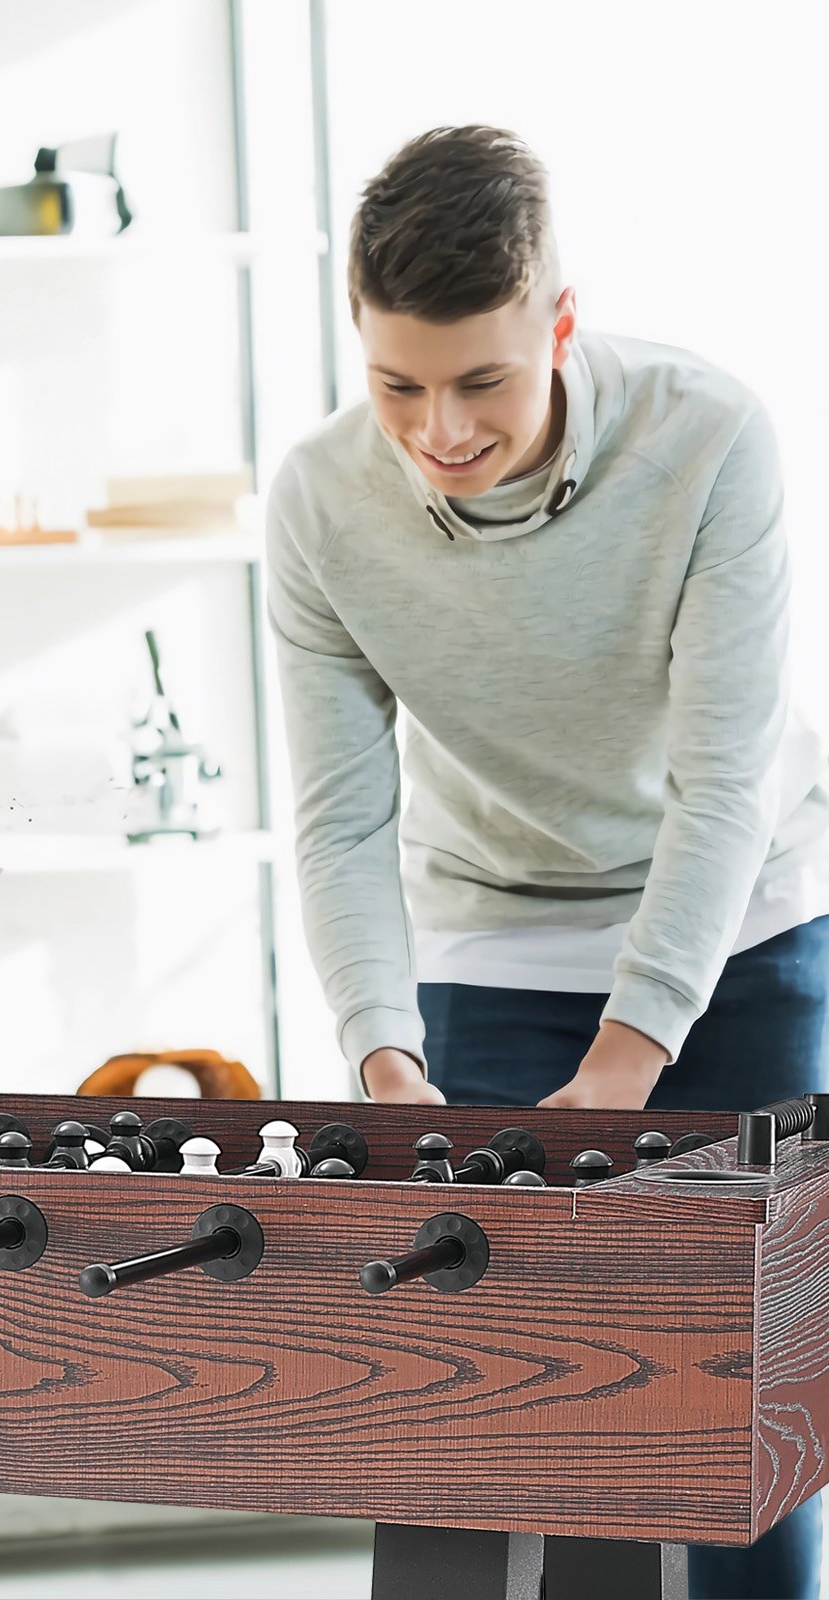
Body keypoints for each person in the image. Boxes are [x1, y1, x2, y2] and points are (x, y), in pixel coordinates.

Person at [266, 125, 829, 1600]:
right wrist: (383, 1061)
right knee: (528, 1416)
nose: (440, 430)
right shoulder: (321, 504)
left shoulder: (711, 437)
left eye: (482, 382)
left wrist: (637, 1048)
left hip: (741, 930)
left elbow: (726, 778)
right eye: (398, 384)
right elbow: (337, 816)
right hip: (497, 941)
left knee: (739, 1417)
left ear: (560, 325)